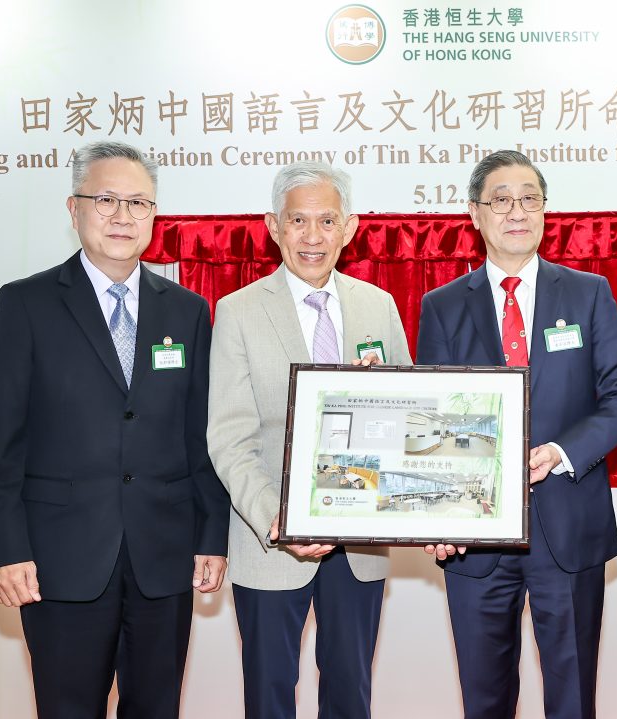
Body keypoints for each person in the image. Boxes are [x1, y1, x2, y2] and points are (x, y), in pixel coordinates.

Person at [0, 140, 230, 719]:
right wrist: (6, 550)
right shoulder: (26, 305)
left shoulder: (186, 310)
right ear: (74, 209)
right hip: (59, 560)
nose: (122, 215)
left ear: (154, 216)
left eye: (138, 203)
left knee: (157, 708)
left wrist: (211, 534)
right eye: (107, 199)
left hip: (162, 559)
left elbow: (200, 435)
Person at [416, 150, 617, 719]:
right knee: (485, 700)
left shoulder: (588, 292)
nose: (517, 211)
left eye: (530, 198)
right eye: (501, 199)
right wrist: (438, 520)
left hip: (568, 528)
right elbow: (434, 421)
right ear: (474, 213)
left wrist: (563, 451)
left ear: (545, 210)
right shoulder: (441, 306)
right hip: (475, 540)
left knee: (572, 699)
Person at [207, 162, 411, 719]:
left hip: (360, 545)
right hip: (271, 541)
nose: (313, 237)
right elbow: (229, 435)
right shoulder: (238, 311)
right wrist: (276, 520)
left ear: (350, 227)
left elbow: (408, 418)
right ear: (274, 226)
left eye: (327, 221)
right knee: (269, 697)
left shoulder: (379, 306)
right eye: (298, 220)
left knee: (351, 695)